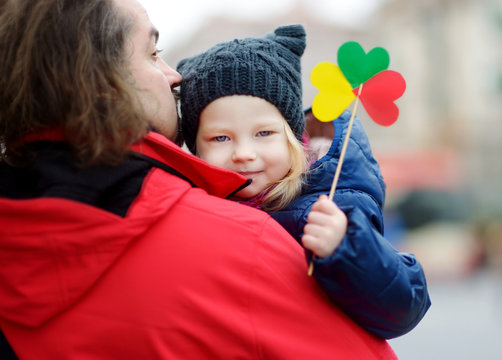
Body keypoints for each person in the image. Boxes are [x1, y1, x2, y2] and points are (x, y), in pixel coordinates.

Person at [0, 0, 400, 358]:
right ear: (100, 84)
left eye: (263, 133)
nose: (174, 76)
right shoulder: (243, 247)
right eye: (153, 53)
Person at [176, 25, 431, 339]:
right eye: (220, 137)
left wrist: (347, 247)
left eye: (264, 133)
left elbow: (403, 306)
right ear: (197, 148)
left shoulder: (334, 204)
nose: (243, 153)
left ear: (293, 138)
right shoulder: (196, 212)